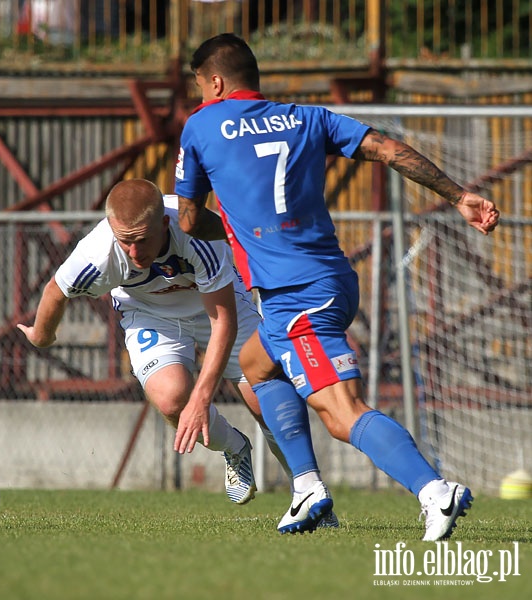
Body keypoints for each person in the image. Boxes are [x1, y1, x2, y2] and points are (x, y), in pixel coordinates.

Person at [173, 33, 500, 539]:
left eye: (200, 86)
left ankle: (435, 490)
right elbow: (388, 149)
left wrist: (237, 225)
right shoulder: (310, 117)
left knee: (341, 414)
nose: (199, 96)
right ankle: (307, 487)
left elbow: (190, 220)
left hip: (298, 295)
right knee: (258, 363)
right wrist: (458, 196)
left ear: (214, 82)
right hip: (331, 281)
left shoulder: (200, 127)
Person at [17, 179, 338, 523]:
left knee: (268, 402)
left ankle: (308, 496)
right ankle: (234, 447)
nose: (135, 253)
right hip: (150, 314)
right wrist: (40, 334)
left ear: (166, 223)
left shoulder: (197, 230)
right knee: (171, 400)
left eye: (142, 240)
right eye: (125, 242)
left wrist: (203, 398)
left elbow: (223, 322)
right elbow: (56, 290)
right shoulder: (97, 255)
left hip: (216, 307)